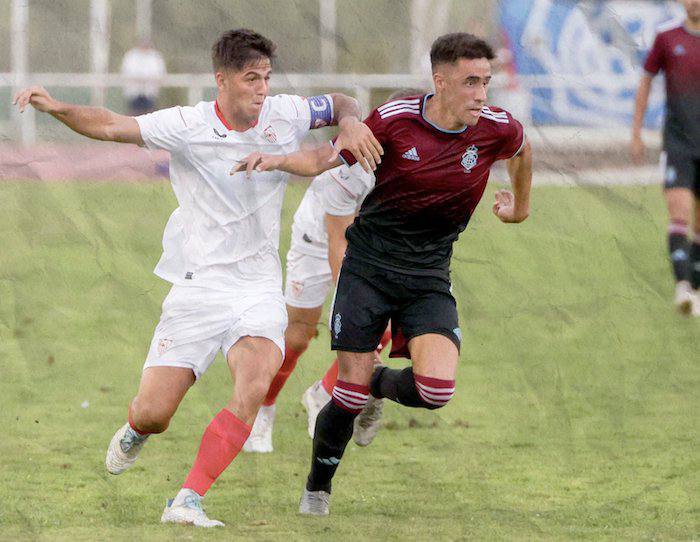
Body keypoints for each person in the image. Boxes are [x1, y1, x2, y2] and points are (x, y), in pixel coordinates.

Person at [13, 28, 381, 527]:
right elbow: (110, 126)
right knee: (153, 413)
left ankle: (186, 499)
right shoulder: (186, 125)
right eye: (251, 78)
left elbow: (340, 102)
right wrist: (57, 108)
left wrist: (353, 121)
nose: (262, 89)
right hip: (198, 286)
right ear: (222, 80)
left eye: (266, 78)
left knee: (253, 384)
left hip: (256, 286)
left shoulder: (286, 114)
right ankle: (135, 430)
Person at [236, 32, 532, 516]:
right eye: (471, 82)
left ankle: (374, 382)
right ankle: (317, 489)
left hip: (428, 276)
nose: (482, 93)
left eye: (486, 82)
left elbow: (522, 150)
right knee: (338, 385)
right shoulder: (391, 126)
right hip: (366, 267)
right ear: (440, 82)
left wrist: (520, 207)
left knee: (436, 389)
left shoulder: (496, 127)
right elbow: (323, 161)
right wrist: (277, 161)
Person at [244, 88, 425, 454]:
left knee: (385, 329)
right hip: (318, 241)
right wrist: (352, 308)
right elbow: (337, 242)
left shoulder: (420, 157)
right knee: (297, 336)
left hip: (370, 245)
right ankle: (263, 410)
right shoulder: (352, 160)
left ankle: (321, 394)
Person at [631, 0, 700, 316]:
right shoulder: (667, 37)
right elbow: (645, 81)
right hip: (678, 144)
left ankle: (695, 287)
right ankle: (683, 287)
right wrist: (636, 132)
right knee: (680, 214)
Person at [120, 38, 167, 115]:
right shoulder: (131, 56)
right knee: (134, 115)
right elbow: (126, 73)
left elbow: (161, 74)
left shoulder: (155, 57)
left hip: (150, 93)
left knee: (149, 115)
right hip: (134, 93)